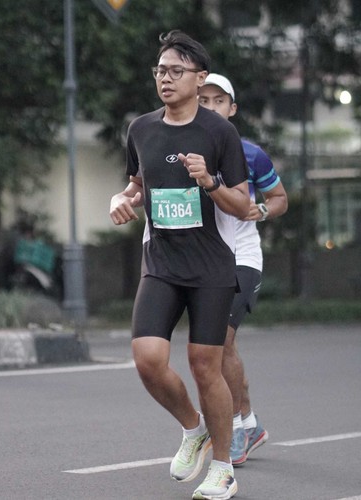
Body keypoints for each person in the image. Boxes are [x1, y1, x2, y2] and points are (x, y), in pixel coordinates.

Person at [110, 32, 250, 500]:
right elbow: (136, 185)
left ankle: (224, 468)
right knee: (148, 360)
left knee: (205, 367)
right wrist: (119, 199)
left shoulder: (219, 132)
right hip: (162, 263)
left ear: (199, 78)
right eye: (160, 71)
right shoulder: (141, 129)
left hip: (210, 267)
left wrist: (209, 181)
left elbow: (243, 205)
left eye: (175, 71)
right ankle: (195, 429)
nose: (165, 79)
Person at [198, 74, 288, 466]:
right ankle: (250, 423)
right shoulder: (183, 152)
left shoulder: (251, 154)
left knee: (222, 342)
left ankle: (235, 430)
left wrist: (262, 209)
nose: (211, 107)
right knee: (218, 349)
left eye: (219, 101)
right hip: (203, 260)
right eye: (204, 100)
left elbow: (280, 197)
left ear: (232, 108)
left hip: (242, 257)